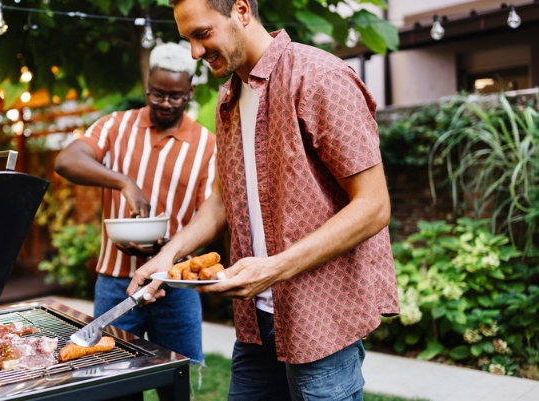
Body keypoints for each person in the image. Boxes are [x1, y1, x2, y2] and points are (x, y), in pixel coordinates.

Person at [128, 0, 400, 400]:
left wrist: (274, 269)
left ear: (241, 10)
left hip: (320, 319)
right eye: (187, 39)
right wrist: (169, 255)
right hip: (256, 319)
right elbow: (222, 199)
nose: (195, 53)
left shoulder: (318, 75)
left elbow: (374, 206)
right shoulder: (228, 99)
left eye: (202, 34)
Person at [54, 43, 217, 367]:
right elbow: (66, 160)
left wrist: (169, 248)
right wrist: (125, 182)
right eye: (157, 94)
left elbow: (210, 217)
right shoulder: (115, 125)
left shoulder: (207, 145)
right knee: (112, 375)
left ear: (190, 90)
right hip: (115, 283)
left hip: (175, 283)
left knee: (177, 375)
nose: (166, 104)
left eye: (176, 96)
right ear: (147, 87)